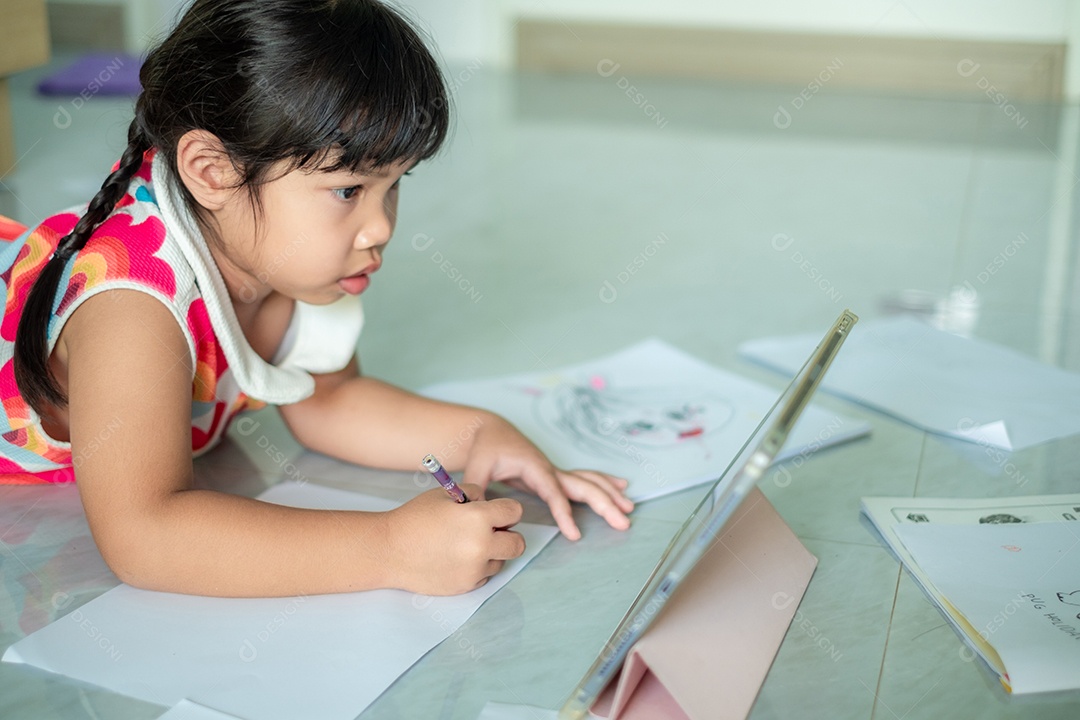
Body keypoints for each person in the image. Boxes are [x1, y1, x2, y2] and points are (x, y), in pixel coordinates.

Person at [0, 0, 633, 598]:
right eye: (349, 189)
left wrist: (480, 435)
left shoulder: (290, 254)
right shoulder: (128, 308)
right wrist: (388, 548)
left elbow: (328, 399)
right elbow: (145, 534)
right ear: (212, 171)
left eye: (394, 184)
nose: (383, 226)